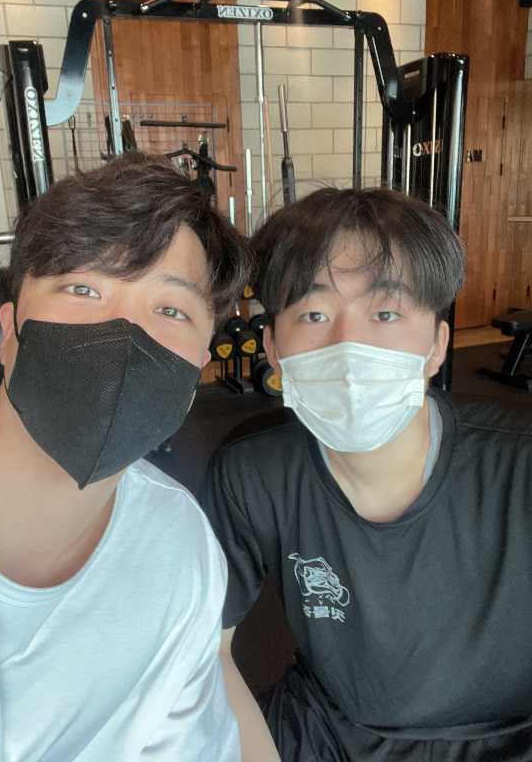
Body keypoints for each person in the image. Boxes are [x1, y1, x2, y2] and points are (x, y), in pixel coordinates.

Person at [0, 152, 279, 762]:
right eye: (83, 288)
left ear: (198, 366)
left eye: (170, 309)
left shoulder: (181, 545)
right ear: (8, 332)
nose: (124, 334)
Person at [201, 187, 532, 762]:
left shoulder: (519, 466)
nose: (348, 345)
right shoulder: (253, 472)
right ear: (273, 349)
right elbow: (208, 651)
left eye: (385, 313)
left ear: (436, 345)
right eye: (314, 314)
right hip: (327, 731)